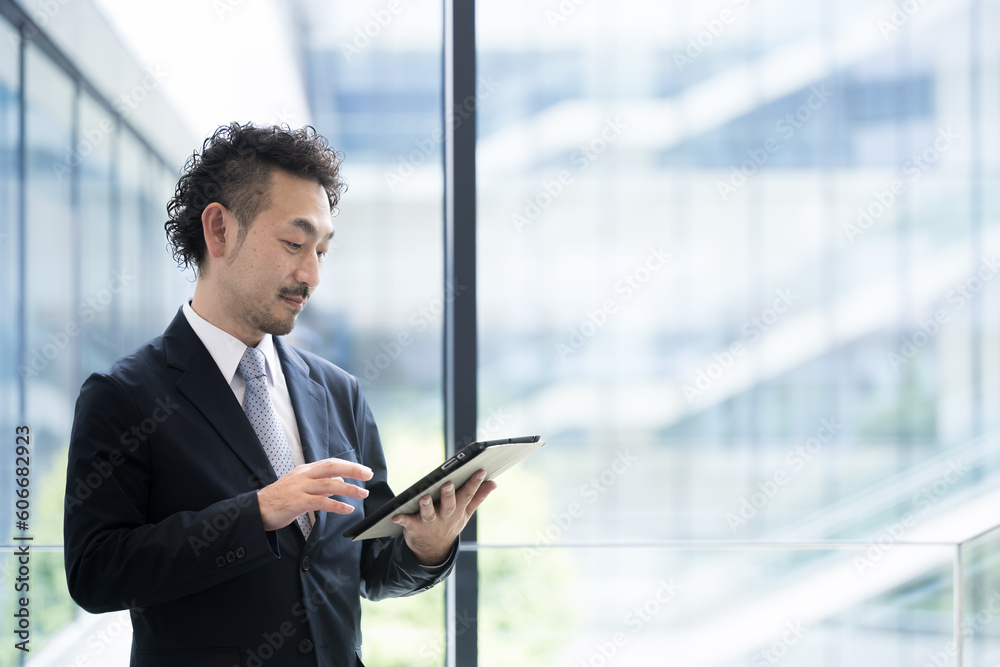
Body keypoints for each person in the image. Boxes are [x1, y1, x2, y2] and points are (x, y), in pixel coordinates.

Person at [62, 122, 495, 667]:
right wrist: (258, 512)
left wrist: (428, 545)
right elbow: (96, 574)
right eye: (294, 243)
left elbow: (373, 569)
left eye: (322, 250)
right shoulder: (123, 396)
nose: (311, 274)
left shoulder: (339, 392)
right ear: (219, 230)